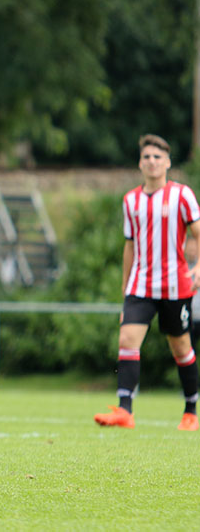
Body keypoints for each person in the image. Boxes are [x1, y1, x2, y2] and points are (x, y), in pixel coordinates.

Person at [94, 134, 200, 432]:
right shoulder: (131, 201)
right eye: (146, 157)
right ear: (140, 164)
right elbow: (129, 246)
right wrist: (125, 289)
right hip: (140, 286)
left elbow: (198, 233)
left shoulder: (182, 195)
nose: (152, 162)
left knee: (181, 348)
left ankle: (191, 409)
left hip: (175, 286)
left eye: (157, 157)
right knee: (127, 340)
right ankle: (125, 410)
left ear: (167, 162)